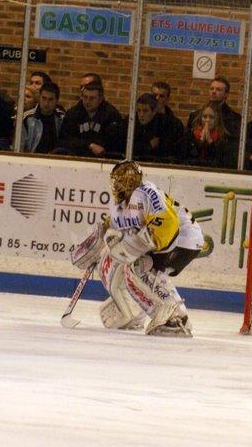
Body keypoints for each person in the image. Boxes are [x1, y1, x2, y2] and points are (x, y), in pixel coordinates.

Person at [70, 160, 203, 336]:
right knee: (127, 268)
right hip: (168, 240)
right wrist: (97, 241)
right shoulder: (118, 204)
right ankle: (135, 314)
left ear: (130, 181)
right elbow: (114, 226)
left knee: (141, 266)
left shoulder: (146, 193)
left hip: (184, 238)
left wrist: (139, 245)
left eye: (120, 180)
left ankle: (177, 317)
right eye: (115, 180)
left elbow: (168, 224)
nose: (116, 185)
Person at [55, 81, 124, 159]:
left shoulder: (111, 115)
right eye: (85, 97)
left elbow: (116, 142)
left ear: (101, 99)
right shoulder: (73, 113)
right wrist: (89, 145)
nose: (87, 101)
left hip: (104, 159)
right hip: (76, 158)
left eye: (92, 98)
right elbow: (65, 140)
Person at [179, 103, 237, 168]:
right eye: (204, 117)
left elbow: (222, 162)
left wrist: (210, 142)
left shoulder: (224, 138)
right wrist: (200, 142)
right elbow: (184, 158)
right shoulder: (190, 135)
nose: (207, 120)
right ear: (200, 118)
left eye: (211, 117)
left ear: (217, 119)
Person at [132, 93, 179, 163]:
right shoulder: (131, 122)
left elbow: (167, 152)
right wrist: (148, 146)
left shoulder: (164, 126)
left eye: (145, 111)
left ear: (154, 111)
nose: (141, 115)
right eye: (138, 110)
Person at [20, 81, 65, 153]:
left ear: (57, 101)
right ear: (39, 98)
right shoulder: (27, 118)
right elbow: (20, 147)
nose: (46, 103)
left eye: (50, 100)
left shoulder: (62, 118)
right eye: (44, 98)